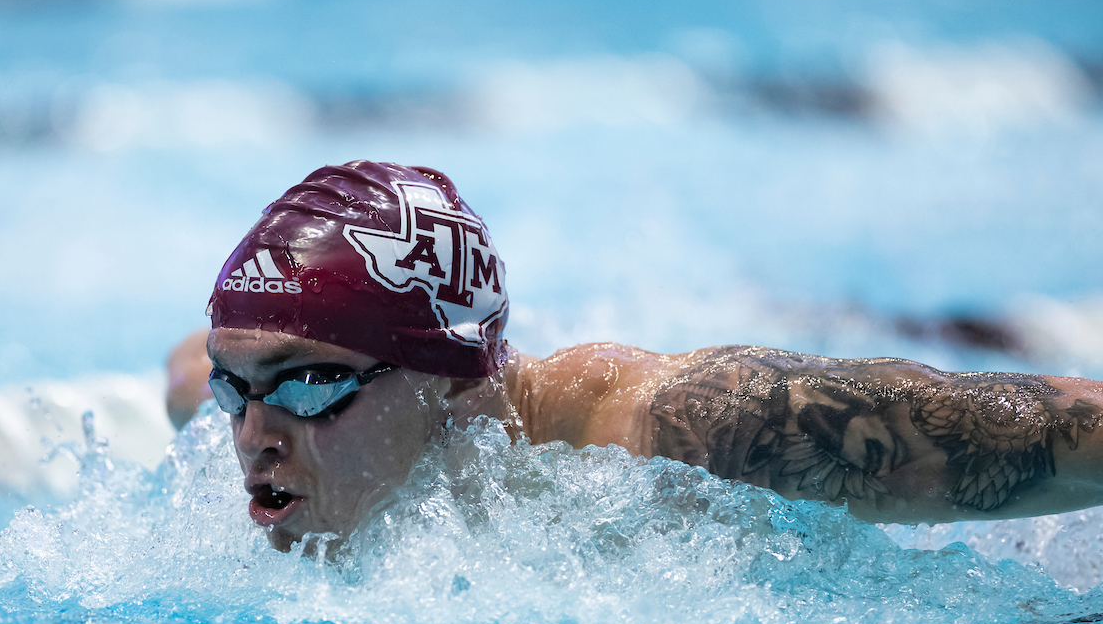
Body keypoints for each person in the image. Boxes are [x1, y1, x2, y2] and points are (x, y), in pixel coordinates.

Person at [198, 160, 1103, 553]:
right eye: (232, 388)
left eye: (309, 385)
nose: (251, 436)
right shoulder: (253, 414)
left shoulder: (672, 429)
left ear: (449, 373)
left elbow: (1066, 432)